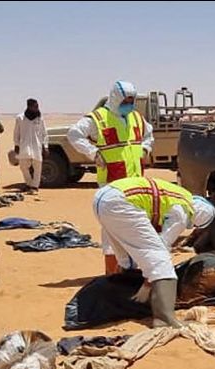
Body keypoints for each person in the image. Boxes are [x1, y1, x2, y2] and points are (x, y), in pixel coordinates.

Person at [93, 176, 215, 328]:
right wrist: (147, 284)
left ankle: (123, 298)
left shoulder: (180, 196)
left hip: (103, 198)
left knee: (126, 258)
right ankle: (164, 319)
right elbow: (161, 246)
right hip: (122, 202)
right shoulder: (184, 210)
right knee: (161, 261)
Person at [68, 80, 154, 274]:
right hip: (112, 186)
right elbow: (74, 134)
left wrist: (145, 148)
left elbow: (149, 135)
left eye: (131, 101)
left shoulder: (136, 118)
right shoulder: (98, 118)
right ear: (116, 98)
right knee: (111, 233)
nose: (129, 104)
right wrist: (93, 153)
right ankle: (112, 275)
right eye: (126, 100)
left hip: (136, 185)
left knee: (135, 230)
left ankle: (131, 272)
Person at [13, 98, 49, 194]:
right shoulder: (20, 118)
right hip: (24, 146)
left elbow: (44, 133)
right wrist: (16, 145)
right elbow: (16, 133)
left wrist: (45, 146)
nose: (37, 108)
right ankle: (29, 183)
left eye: (37, 106)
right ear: (29, 107)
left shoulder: (40, 118)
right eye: (35, 106)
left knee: (38, 167)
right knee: (23, 166)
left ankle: (34, 186)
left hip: (37, 146)